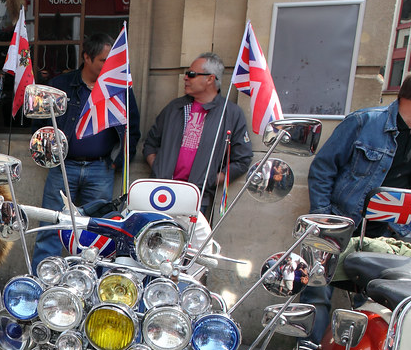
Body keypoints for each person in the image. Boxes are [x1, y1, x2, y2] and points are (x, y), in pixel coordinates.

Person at [295, 64, 411, 350]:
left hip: (383, 239)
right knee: (317, 296)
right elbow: (323, 169)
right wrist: (324, 223)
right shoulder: (365, 122)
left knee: (370, 309)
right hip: (340, 228)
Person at [30, 33, 141, 270]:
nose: (109, 66)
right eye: (103, 60)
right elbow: (39, 121)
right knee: (51, 227)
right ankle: (40, 282)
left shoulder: (118, 88)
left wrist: (119, 162)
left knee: (97, 233)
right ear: (87, 58)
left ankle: (86, 283)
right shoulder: (61, 85)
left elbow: (133, 128)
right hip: (63, 166)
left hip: (101, 167)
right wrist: (47, 154)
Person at [142, 52, 252, 212]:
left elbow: (242, 159)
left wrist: (212, 180)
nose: (185, 77)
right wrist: (158, 168)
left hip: (198, 199)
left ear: (210, 79)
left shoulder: (230, 113)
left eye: (191, 74)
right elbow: (150, 143)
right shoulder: (174, 108)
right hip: (161, 194)